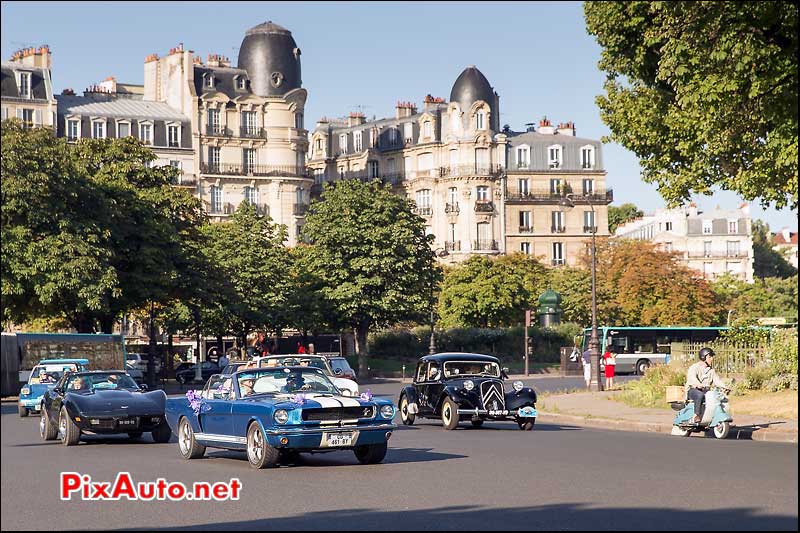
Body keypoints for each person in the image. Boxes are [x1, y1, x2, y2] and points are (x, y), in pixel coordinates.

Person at [685, 347, 730, 424]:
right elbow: (692, 378)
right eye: (709, 357)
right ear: (703, 358)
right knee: (700, 395)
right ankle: (696, 415)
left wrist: (724, 387)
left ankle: (712, 416)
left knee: (718, 396)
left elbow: (717, 380)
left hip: (705, 391)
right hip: (693, 390)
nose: (712, 359)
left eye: (712, 357)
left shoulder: (711, 370)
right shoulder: (694, 367)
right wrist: (698, 384)